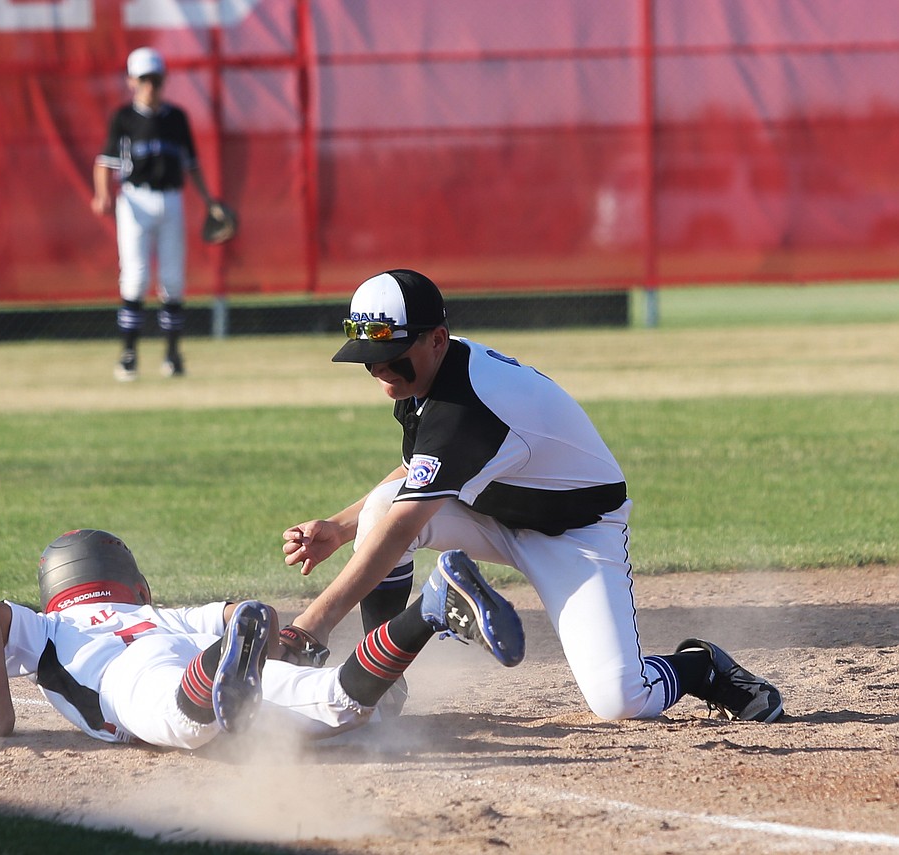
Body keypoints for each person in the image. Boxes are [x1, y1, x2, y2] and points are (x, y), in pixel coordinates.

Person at [279, 269, 784, 724]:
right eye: (370, 362)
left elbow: (406, 523)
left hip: (576, 535)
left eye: (391, 358)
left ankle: (700, 667)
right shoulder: (429, 374)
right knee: (378, 511)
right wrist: (341, 527)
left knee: (620, 700)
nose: (381, 373)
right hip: (491, 512)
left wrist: (311, 626)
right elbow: (417, 472)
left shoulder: (468, 406)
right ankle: (381, 680)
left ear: (436, 339)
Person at [0, 528, 525, 749]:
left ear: (54, 592)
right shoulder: (163, 614)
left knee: (189, 725)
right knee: (343, 705)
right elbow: (241, 610)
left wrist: (3, 715)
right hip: (192, 652)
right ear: (139, 587)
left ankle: (223, 666)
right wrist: (272, 640)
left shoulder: (52, 626)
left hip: (134, 680)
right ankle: (430, 608)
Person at [91, 46, 223, 382]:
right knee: (134, 279)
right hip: (135, 200)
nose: (150, 85)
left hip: (171, 200)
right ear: (132, 81)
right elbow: (104, 162)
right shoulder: (123, 118)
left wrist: (209, 201)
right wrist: (103, 194)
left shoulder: (176, 118)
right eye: (144, 79)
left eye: (156, 79)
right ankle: (129, 355)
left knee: (173, 281)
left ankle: (172, 355)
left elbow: (191, 165)